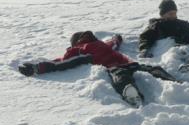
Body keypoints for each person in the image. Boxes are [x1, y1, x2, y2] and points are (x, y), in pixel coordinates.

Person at [18, 31, 179, 107]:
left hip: (113, 67)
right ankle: (175, 82)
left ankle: (131, 93)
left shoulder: (78, 49)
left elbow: (62, 63)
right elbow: (114, 43)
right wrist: (118, 38)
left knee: (120, 77)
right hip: (129, 63)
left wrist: (37, 68)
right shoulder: (101, 43)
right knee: (151, 68)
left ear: (75, 42)